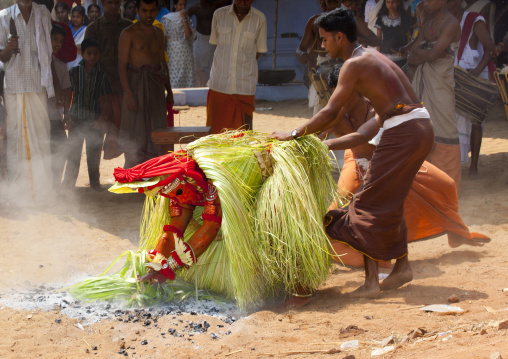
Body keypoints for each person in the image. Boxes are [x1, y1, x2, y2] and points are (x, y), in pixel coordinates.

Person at [272, 9, 434, 298]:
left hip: (404, 130)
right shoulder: (373, 54)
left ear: (339, 36)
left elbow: (331, 111)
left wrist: (293, 133)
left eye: (324, 40)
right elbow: (354, 126)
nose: (322, 46)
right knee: (387, 198)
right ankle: (402, 267)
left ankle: (372, 283)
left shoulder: (353, 64)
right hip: (421, 126)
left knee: (366, 202)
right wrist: (321, 140)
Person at [323, 64, 490, 268]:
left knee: (446, 185)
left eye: (342, 92)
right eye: (335, 94)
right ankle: (355, 258)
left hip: (390, 164)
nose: (339, 98)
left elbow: (364, 135)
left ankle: (456, 233)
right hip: (357, 165)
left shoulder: (376, 105)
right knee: (334, 216)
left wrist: (328, 142)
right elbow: (321, 130)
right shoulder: (334, 111)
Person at [0, 0, 55, 204]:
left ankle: (42, 192)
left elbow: (48, 51)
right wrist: (8, 48)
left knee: (41, 136)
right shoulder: (4, 17)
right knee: (15, 140)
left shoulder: (43, 14)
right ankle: (18, 196)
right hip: (14, 85)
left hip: (37, 83)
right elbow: (2, 57)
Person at [403, 0, 461, 192]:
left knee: (445, 130)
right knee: (422, 129)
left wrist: (422, 52)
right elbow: (413, 56)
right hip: (423, 82)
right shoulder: (427, 20)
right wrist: (423, 52)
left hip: (440, 85)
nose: (425, 2)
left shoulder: (451, 23)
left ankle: (448, 187)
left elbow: (433, 54)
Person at [118, 0, 173, 168]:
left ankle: (155, 173)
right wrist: (129, 95)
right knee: (135, 131)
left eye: (151, 11)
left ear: (157, 10)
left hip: (156, 89)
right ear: (137, 10)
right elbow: (122, 66)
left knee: (157, 129)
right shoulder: (128, 34)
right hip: (135, 88)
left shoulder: (159, 32)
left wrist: (169, 91)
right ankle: (135, 173)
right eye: (144, 11)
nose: (148, 15)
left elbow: (162, 62)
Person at [448, 0, 494, 178]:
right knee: (451, 121)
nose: (450, 5)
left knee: (476, 120)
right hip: (455, 76)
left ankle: (473, 166)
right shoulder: (447, 21)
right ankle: (457, 163)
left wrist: (477, 70)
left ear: (461, 2)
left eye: (453, 1)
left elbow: (490, 48)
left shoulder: (475, 20)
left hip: (475, 77)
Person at [206, 0, 267, 134]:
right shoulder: (219, 15)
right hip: (219, 84)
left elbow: (259, 50)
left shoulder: (259, 18)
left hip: (244, 87)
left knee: (244, 135)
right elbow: (217, 45)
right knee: (216, 135)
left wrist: (245, 64)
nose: (242, 2)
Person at [84, 0, 132, 160]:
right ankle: (94, 179)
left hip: (124, 87)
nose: (113, 6)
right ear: (103, 3)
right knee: (97, 132)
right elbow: (89, 60)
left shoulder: (129, 26)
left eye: (116, 2)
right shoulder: (93, 28)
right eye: (109, 2)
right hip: (100, 90)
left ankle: (130, 172)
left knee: (126, 131)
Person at [62, 38, 112, 190]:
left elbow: (107, 99)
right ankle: (68, 184)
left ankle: (95, 182)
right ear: (82, 54)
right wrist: (67, 116)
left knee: (94, 153)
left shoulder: (102, 75)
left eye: (95, 54)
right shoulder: (74, 73)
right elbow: (66, 95)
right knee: (73, 154)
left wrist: (102, 118)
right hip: (76, 120)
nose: (92, 57)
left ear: (99, 55)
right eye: (88, 53)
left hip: (94, 120)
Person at [296, 0, 340, 115]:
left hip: (342, 70)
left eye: (335, 3)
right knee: (321, 109)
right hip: (321, 70)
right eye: (329, 3)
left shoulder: (347, 22)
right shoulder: (314, 22)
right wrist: (301, 55)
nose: (333, 7)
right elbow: (301, 48)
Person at [48, 24, 71, 188]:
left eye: (60, 41)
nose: (57, 44)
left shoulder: (61, 66)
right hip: (40, 118)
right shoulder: (37, 65)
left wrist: (67, 114)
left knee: (61, 148)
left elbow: (66, 91)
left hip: (55, 118)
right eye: (54, 39)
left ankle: (55, 185)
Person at [187, 0, 230, 87]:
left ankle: (210, 88)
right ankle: (199, 89)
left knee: (212, 67)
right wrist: (192, 33)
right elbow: (186, 18)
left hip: (213, 40)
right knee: (198, 68)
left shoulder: (216, 5)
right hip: (199, 39)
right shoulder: (196, 7)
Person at [161, 0, 196, 88]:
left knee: (187, 81)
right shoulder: (166, 19)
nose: (182, 7)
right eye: (180, 4)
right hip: (173, 55)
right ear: (175, 5)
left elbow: (188, 35)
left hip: (186, 55)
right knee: (174, 81)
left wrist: (184, 18)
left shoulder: (187, 19)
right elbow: (163, 39)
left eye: (184, 5)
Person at [375, 0, 414, 67]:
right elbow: (379, 39)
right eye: (388, 2)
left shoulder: (405, 18)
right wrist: (378, 56)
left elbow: (408, 37)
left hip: (401, 57)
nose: (390, 5)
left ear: (398, 2)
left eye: (393, 2)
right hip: (385, 57)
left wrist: (407, 52)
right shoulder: (381, 19)